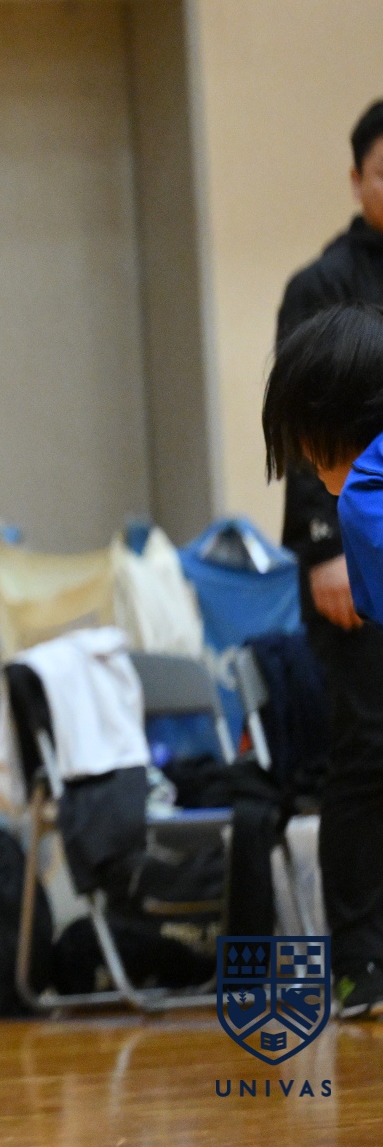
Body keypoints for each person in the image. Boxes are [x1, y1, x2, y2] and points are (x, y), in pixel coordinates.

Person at [273, 103, 383, 1020]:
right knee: (365, 751)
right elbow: (316, 436)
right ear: (357, 179)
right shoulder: (322, 287)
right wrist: (326, 551)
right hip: (346, 571)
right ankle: (358, 963)